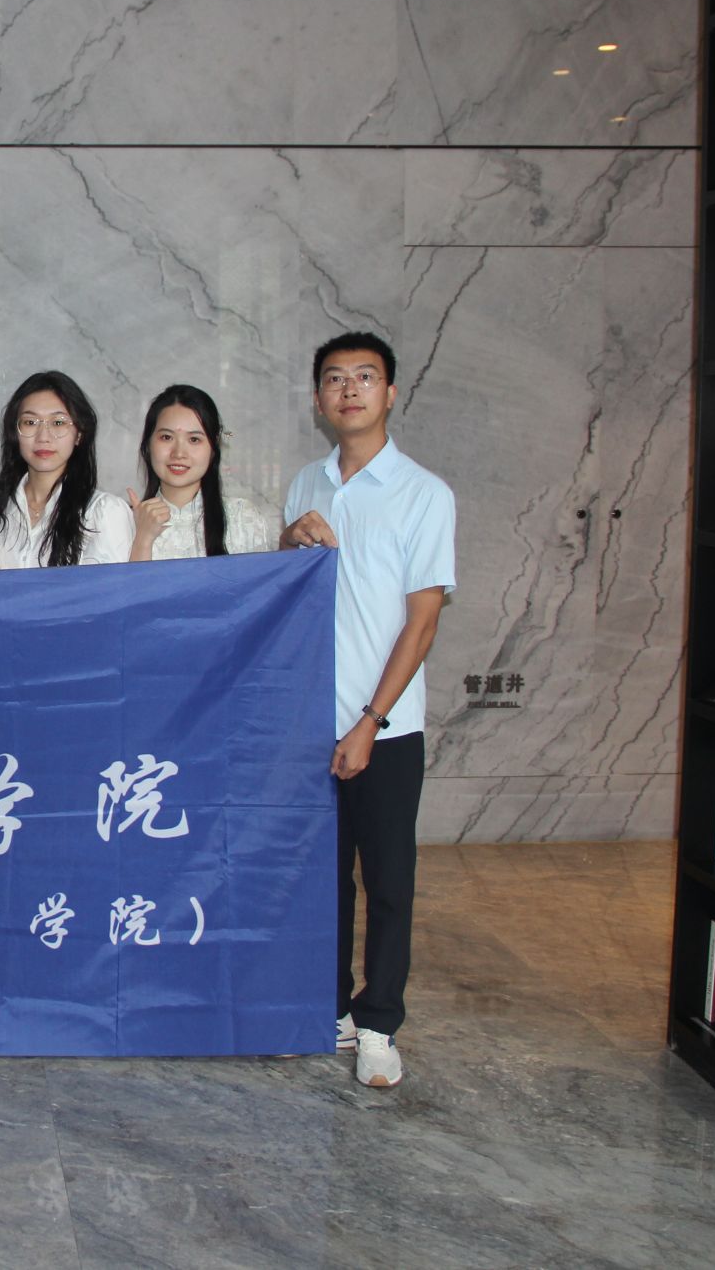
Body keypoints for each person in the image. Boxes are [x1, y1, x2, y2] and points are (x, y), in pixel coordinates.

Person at [280, 332, 455, 1089]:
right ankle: (330, 1009)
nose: (348, 390)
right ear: (318, 399)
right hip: (308, 720)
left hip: (386, 726)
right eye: (334, 379)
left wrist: (369, 721)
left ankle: (379, 1021)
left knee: (386, 881)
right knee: (324, 881)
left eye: (364, 377)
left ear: (391, 392)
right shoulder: (306, 483)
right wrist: (288, 540)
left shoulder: (423, 493)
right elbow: (288, 591)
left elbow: (422, 622)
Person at [0, 371, 132, 568]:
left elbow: (115, 586)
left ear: (79, 434)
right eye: (30, 422)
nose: (43, 437)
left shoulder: (104, 512)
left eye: (58, 423)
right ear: (14, 432)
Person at [128, 384, 279, 560]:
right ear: (148, 444)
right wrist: (143, 540)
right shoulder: (124, 522)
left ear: (213, 448)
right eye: (166, 437)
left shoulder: (243, 519)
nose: (179, 453)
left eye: (194, 439)